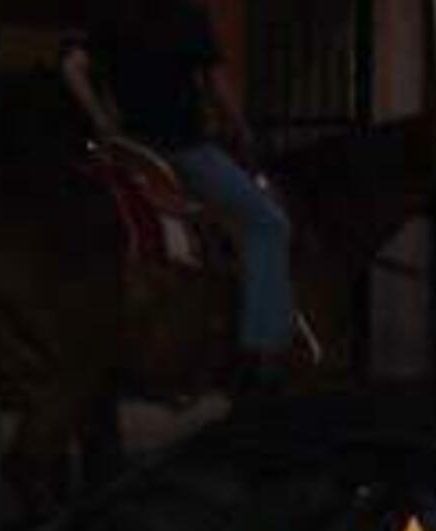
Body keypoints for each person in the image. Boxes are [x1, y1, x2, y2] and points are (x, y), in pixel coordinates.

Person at [62, 0, 295, 385]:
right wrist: (242, 128)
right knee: (270, 224)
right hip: (184, 149)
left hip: (131, 151)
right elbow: (217, 83)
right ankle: (263, 348)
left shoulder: (112, 14)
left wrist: (102, 121)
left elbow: (71, 68)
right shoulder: (187, 14)